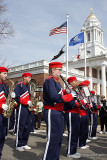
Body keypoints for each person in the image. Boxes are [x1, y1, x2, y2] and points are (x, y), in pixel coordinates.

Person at [42, 62, 75, 160]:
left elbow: (59, 95)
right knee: (53, 138)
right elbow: (54, 97)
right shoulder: (50, 80)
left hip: (58, 112)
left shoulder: (57, 82)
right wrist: (69, 96)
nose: (61, 72)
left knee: (58, 138)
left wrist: (66, 92)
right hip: (52, 111)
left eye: (61, 70)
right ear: (53, 70)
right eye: (59, 70)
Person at [63, 77, 87, 158]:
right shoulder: (68, 90)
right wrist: (83, 102)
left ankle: (73, 151)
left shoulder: (74, 90)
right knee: (72, 133)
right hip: (70, 112)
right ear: (70, 82)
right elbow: (71, 104)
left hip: (75, 112)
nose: (77, 82)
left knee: (76, 133)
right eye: (75, 81)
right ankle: (70, 152)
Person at [14, 72, 33, 151]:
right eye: (28, 77)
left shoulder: (28, 86)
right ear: (24, 77)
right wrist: (25, 102)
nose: (29, 79)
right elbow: (16, 96)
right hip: (22, 107)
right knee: (21, 125)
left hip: (28, 108)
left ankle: (24, 143)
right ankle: (18, 144)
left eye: (30, 78)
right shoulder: (19, 85)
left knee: (28, 126)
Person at [0, 67, 9, 160]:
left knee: (2, 135)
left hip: (4, 114)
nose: (6, 76)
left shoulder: (5, 86)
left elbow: (8, 98)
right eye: (4, 73)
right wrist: (0, 106)